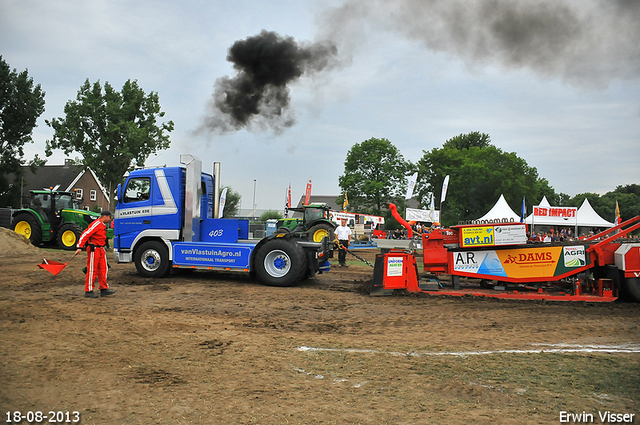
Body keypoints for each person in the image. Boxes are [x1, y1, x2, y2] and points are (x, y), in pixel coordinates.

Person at [76, 210, 115, 298]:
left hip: (101, 249)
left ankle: (103, 288)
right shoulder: (96, 224)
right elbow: (86, 233)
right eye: (110, 217)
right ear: (104, 216)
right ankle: (88, 290)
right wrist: (79, 246)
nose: (110, 219)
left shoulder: (102, 225)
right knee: (92, 270)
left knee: (103, 269)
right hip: (94, 249)